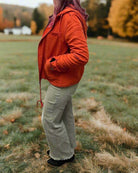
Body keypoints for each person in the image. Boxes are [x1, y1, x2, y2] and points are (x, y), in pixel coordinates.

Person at [37, 0, 89, 166]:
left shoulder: (69, 17)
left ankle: (63, 155)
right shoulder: (62, 15)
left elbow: (81, 55)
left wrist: (53, 63)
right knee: (64, 114)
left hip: (64, 78)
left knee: (50, 118)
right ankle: (67, 148)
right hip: (64, 76)